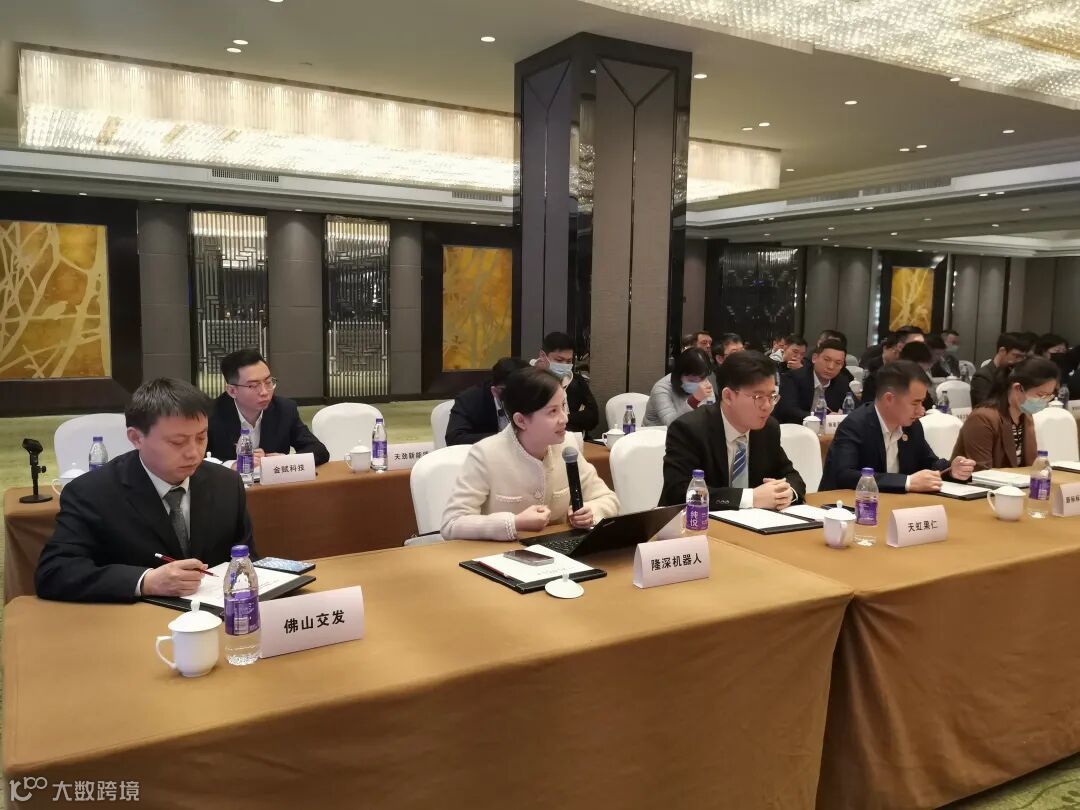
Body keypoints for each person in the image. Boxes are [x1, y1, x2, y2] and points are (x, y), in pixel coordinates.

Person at [36, 378, 255, 603]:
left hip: (214, 616)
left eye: (201, 437)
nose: (193, 452)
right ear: (136, 438)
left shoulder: (226, 483)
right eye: (178, 442)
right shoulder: (91, 492)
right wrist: (145, 581)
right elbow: (54, 572)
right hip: (132, 618)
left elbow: (247, 560)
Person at [441, 367, 619, 540]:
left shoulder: (567, 447)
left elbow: (608, 499)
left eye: (563, 406)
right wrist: (514, 522)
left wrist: (591, 511)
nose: (564, 418)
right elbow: (452, 523)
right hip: (501, 554)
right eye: (553, 411)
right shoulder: (485, 454)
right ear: (521, 420)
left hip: (559, 550)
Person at [659, 351, 805, 511]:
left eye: (772, 397)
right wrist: (750, 498)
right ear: (728, 396)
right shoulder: (689, 429)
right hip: (696, 523)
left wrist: (787, 493)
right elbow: (679, 493)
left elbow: (793, 477)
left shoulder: (768, 428)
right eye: (758, 398)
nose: (767, 406)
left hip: (753, 523)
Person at [819, 361, 976, 493]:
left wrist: (952, 470)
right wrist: (907, 482)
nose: (921, 411)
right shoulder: (855, 425)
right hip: (844, 508)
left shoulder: (912, 426)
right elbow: (845, 476)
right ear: (889, 399)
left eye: (922, 402)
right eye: (915, 403)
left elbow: (930, 463)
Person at [207, 349, 329, 466]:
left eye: (268, 382)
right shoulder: (209, 415)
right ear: (232, 391)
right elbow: (199, 461)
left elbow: (318, 450)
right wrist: (231, 466)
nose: (264, 392)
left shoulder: (284, 409)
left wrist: (285, 460)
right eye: (253, 385)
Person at [951, 357, 1059, 471]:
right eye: (1041, 395)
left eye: (1049, 396)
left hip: (1017, 480)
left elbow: (1030, 466)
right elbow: (981, 471)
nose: (1044, 401)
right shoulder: (982, 418)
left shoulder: (1026, 416)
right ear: (1018, 388)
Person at [445, 356, 530, 445]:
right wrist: (504, 438)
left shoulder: (534, 393)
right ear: (495, 391)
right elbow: (454, 439)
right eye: (513, 392)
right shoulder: (470, 400)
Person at [530, 331, 599, 434]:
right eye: (559, 360)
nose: (564, 365)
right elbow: (535, 419)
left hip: (575, 439)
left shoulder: (576, 380)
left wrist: (563, 417)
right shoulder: (528, 380)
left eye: (569, 361)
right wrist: (576, 416)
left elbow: (593, 418)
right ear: (542, 355)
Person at [775, 339, 852, 424]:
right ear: (814, 358)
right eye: (826, 360)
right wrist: (822, 418)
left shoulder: (842, 382)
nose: (831, 367)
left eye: (838, 363)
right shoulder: (793, 377)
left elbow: (856, 409)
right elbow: (789, 411)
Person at [643, 348, 714, 426]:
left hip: (691, 429)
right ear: (678, 375)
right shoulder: (661, 389)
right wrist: (694, 400)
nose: (698, 384)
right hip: (656, 431)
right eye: (692, 380)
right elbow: (672, 424)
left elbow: (710, 415)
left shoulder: (705, 382)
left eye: (702, 378)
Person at [863, 341, 935, 408]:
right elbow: (870, 408)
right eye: (920, 370)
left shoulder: (918, 383)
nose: (922, 374)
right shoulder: (876, 380)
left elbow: (929, 407)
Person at [970, 332, 1034, 407]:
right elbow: (986, 406)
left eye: (1023, 357)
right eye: (1016, 356)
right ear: (1002, 351)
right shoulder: (983, 376)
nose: (1020, 361)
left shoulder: (1015, 374)